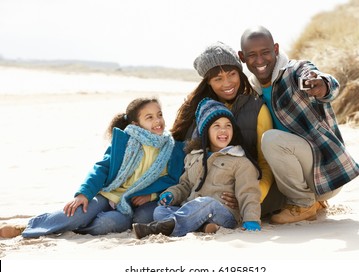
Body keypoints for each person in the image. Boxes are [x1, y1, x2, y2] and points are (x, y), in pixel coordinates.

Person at [0, 98, 185, 238]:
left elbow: (173, 179)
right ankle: (29, 228)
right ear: (136, 124)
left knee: (107, 223)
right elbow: (102, 168)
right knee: (78, 213)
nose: (157, 121)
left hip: (134, 203)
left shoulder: (172, 147)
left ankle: (73, 229)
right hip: (109, 194)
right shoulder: (125, 142)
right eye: (149, 117)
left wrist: (151, 196)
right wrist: (84, 194)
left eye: (159, 115)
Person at [238, 25, 359, 224]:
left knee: (270, 139)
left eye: (265, 52)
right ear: (242, 57)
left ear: (276, 50)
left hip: (326, 172)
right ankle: (313, 201)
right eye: (252, 55)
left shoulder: (295, 71)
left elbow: (327, 83)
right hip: (300, 175)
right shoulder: (251, 91)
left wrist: (322, 85)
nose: (260, 60)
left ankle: (303, 204)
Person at [170, 41, 285, 217]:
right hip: (202, 192)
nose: (227, 83)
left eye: (232, 74)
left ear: (240, 73)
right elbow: (186, 156)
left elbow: (265, 163)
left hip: (247, 191)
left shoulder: (257, 108)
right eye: (218, 78)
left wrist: (254, 197)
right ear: (208, 82)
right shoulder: (198, 110)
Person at [132, 98, 262, 238]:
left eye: (228, 125)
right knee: (160, 211)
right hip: (192, 211)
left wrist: (251, 220)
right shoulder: (193, 157)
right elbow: (185, 185)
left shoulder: (240, 161)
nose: (223, 130)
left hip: (222, 213)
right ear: (206, 131)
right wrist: (172, 194)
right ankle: (202, 227)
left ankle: (162, 228)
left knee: (207, 203)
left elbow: (249, 193)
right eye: (216, 126)